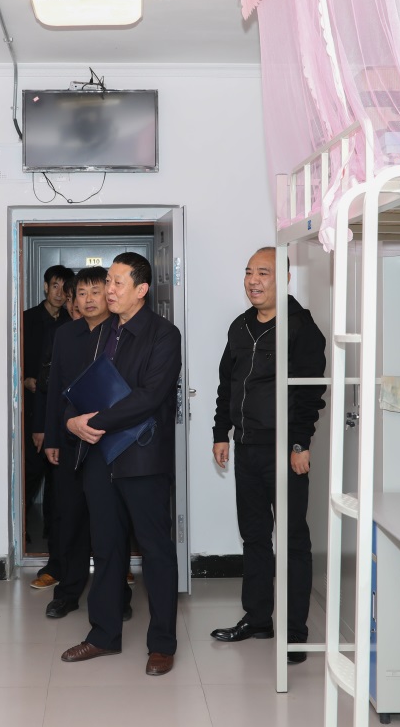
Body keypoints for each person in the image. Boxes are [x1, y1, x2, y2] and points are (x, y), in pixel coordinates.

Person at [60, 253, 182, 677]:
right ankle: (103, 635)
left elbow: (149, 396)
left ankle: (162, 644)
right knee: (106, 548)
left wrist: (93, 421)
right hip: (99, 456)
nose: (108, 290)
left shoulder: (163, 334)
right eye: (107, 282)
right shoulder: (102, 332)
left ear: (141, 290)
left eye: (116, 283)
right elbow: (79, 387)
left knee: (155, 551)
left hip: (142, 457)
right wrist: (71, 422)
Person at [210, 247, 327, 663]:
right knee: (255, 536)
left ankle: (295, 633)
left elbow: (310, 393)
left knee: (293, 540)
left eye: (263, 273)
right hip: (246, 447)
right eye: (249, 273)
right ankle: (258, 619)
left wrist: (299, 444)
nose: (253, 281)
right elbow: (227, 384)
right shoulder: (240, 326)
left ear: (285, 278)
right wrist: (220, 433)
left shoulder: (301, 328)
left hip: (284, 449)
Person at [40, 266, 118, 619]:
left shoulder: (119, 331)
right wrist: (52, 436)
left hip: (109, 442)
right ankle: (67, 592)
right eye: (81, 293)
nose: (88, 300)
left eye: (95, 292)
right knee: (69, 519)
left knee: (109, 524)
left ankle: (117, 595)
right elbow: (56, 388)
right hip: (70, 441)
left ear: (109, 294)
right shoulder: (65, 334)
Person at [21, 265, 74, 576]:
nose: (59, 293)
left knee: (57, 478)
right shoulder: (27, 319)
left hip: (59, 412)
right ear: (45, 287)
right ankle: (22, 527)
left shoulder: (70, 321)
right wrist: (24, 380)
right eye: (55, 286)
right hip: (31, 407)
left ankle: (56, 534)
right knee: (31, 472)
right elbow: (19, 359)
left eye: (65, 288)